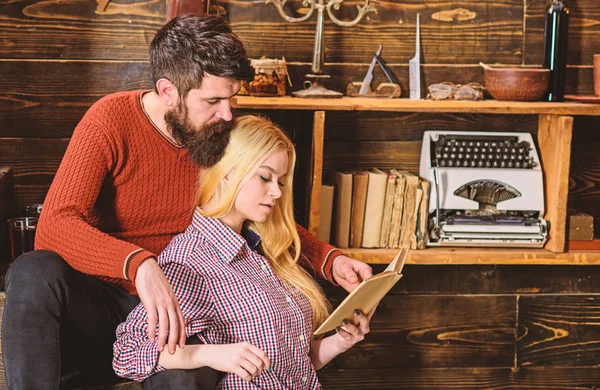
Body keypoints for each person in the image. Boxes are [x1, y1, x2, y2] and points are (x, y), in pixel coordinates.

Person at [1, 14, 373, 389]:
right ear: (168, 92)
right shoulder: (109, 122)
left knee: (181, 380)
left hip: (181, 318)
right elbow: (55, 226)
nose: (227, 114)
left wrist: (329, 258)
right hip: (103, 310)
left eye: (232, 98)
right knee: (35, 270)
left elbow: (253, 203)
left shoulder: (217, 129)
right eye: (213, 100)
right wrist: (141, 267)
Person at [113, 115, 373, 388]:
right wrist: (207, 354)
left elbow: (293, 366)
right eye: (265, 177)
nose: (276, 192)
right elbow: (127, 352)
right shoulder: (190, 259)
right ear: (227, 173)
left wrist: (341, 342)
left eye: (280, 181)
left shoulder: (263, 250)